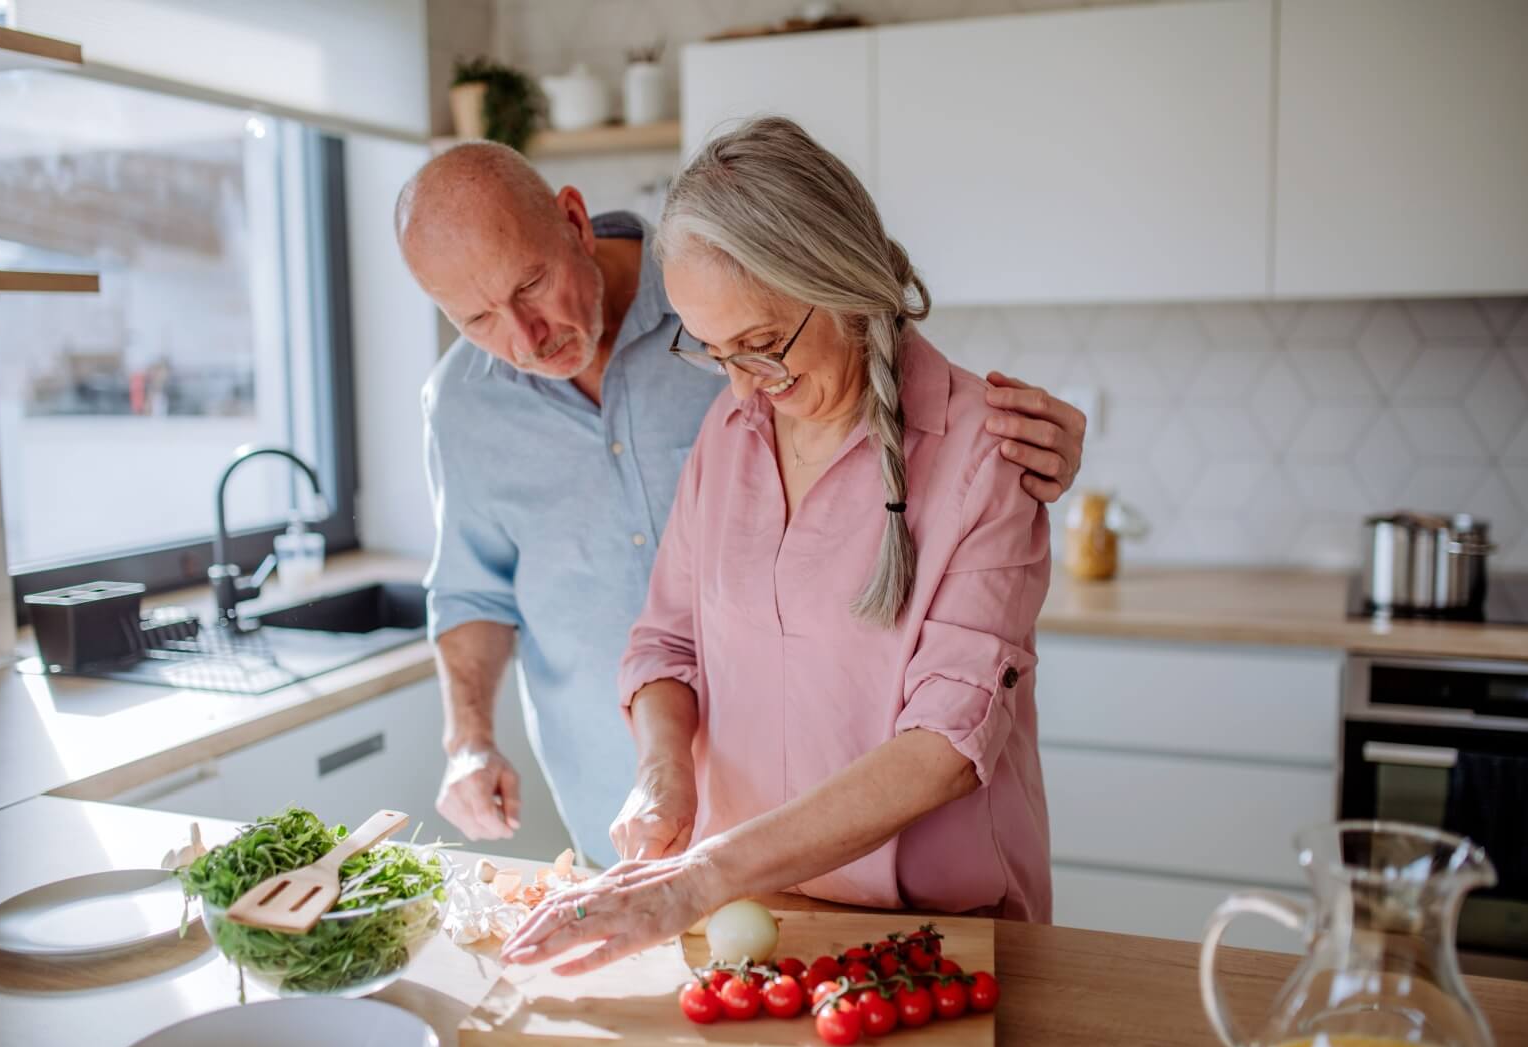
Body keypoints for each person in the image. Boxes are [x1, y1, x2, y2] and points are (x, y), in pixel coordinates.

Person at [395, 141, 1085, 867]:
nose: (523, 338)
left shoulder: (728, 299)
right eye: (475, 319)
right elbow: (487, 593)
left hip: (858, 866)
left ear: (574, 220)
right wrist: (473, 740)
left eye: (531, 285)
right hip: (643, 827)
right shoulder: (479, 406)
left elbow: (900, 395)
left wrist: (999, 455)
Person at [500, 117, 1052, 976]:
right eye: (714, 353)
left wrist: (700, 875)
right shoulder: (732, 427)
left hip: (939, 931)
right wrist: (662, 769)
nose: (744, 383)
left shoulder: (986, 448)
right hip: (755, 917)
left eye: (762, 346)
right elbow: (666, 642)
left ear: (841, 278)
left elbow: (947, 743)